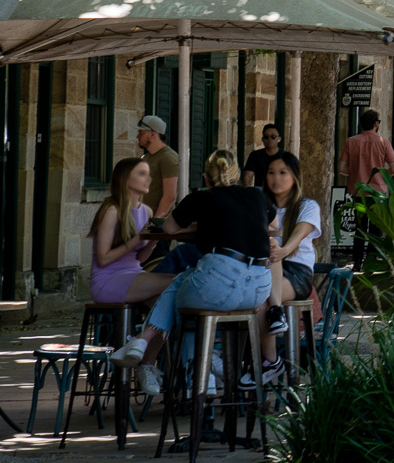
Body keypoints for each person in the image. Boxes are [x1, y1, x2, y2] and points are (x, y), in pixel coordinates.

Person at [108, 173, 273, 384]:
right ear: (237, 175)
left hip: (220, 280)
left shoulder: (203, 198)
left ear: (205, 178)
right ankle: (203, 369)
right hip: (259, 290)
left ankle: (152, 347)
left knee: (181, 285)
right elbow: (273, 223)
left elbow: (169, 228)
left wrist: (202, 225)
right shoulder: (255, 195)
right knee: (185, 286)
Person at [251, 153, 321, 387]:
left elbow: (298, 234)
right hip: (262, 267)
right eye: (271, 172)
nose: (276, 178)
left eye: (283, 173)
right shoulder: (260, 204)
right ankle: (263, 359)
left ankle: (269, 361)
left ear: (294, 176)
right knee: (251, 298)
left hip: (296, 271)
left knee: (262, 299)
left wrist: (283, 250)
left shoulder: (307, 206)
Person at [87, 157, 174, 315]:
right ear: (125, 178)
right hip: (107, 279)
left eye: (149, 174)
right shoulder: (111, 211)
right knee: (175, 281)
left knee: (166, 309)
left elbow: (140, 259)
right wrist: (139, 238)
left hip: (134, 273)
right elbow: (103, 259)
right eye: (142, 174)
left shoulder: (146, 211)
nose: (149, 179)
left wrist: (153, 239)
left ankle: (140, 339)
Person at [343, 109, 394, 191]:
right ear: (376, 124)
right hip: (378, 191)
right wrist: (380, 177)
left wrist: (355, 175)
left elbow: (341, 168)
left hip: (356, 190)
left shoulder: (350, 142)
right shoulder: (384, 143)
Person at [136, 115, 180, 219]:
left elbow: (170, 196)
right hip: (142, 219)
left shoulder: (168, 158)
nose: (137, 136)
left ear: (152, 135)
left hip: (155, 226)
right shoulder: (145, 157)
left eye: (141, 133)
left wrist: (155, 222)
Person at [241, 123, 296, 187]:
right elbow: (247, 176)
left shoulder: (286, 156)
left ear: (279, 139)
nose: (269, 139)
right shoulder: (255, 155)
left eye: (273, 137)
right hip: (261, 193)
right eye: (266, 137)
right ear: (262, 139)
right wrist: (249, 192)